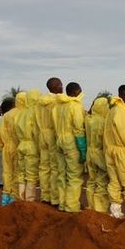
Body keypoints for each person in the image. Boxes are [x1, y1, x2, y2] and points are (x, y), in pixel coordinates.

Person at [53, 82, 86, 213]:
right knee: (74, 176)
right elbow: (78, 127)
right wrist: (82, 148)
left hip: (59, 140)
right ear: (76, 91)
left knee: (61, 174)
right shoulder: (75, 105)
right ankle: (72, 206)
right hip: (71, 142)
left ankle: (62, 203)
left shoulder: (59, 105)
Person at [105, 86, 125, 218]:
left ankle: (116, 211)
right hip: (122, 151)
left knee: (114, 182)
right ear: (120, 95)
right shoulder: (120, 110)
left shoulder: (112, 110)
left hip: (110, 150)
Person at [36, 77, 63, 205]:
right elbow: (57, 120)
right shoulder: (56, 102)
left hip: (42, 134)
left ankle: (45, 196)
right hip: (52, 134)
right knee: (54, 167)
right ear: (55, 86)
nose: (62, 88)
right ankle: (55, 198)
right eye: (60, 85)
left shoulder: (39, 103)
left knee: (44, 167)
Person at [85, 96, 110, 213]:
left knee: (91, 180)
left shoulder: (88, 120)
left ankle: (90, 205)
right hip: (99, 153)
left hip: (89, 153)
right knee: (102, 180)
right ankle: (100, 208)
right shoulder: (103, 122)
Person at [15, 91, 40, 202]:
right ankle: (29, 201)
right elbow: (36, 131)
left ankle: (21, 199)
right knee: (31, 175)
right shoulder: (35, 112)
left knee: (21, 173)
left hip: (21, 145)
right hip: (32, 145)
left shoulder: (20, 113)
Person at [0, 95, 20, 206]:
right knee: (17, 173)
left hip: (6, 147)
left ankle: (5, 197)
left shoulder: (6, 115)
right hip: (18, 147)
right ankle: (14, 198)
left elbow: (0, 134)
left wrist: (2, 146)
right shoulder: (23, 114)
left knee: (7, 173)